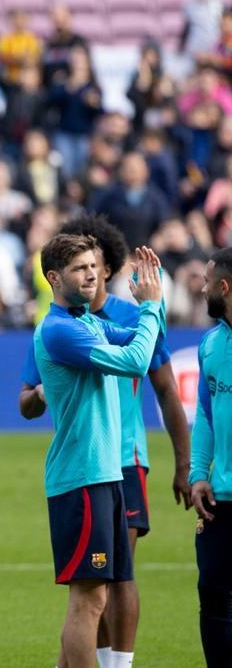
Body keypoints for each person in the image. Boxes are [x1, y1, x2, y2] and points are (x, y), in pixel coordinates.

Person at [19, 216, 192, 667]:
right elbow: (137, 361)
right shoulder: (61, 329)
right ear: (54, 278)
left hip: (104, 474)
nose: (91, 275)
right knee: (88, 603)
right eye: (80, 269)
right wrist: (154, 305)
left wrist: (144, 308)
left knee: (99, 593)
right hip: (82, 476)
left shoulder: (85, 323)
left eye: (94, 267)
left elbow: (139, 341)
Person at [191, 246, 232, 667]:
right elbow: (204, 413)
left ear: (224, 287)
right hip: (221, 498)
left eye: (206, 282)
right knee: (214, 601)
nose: (201, 289)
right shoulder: (211, 344)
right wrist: (198, 472)